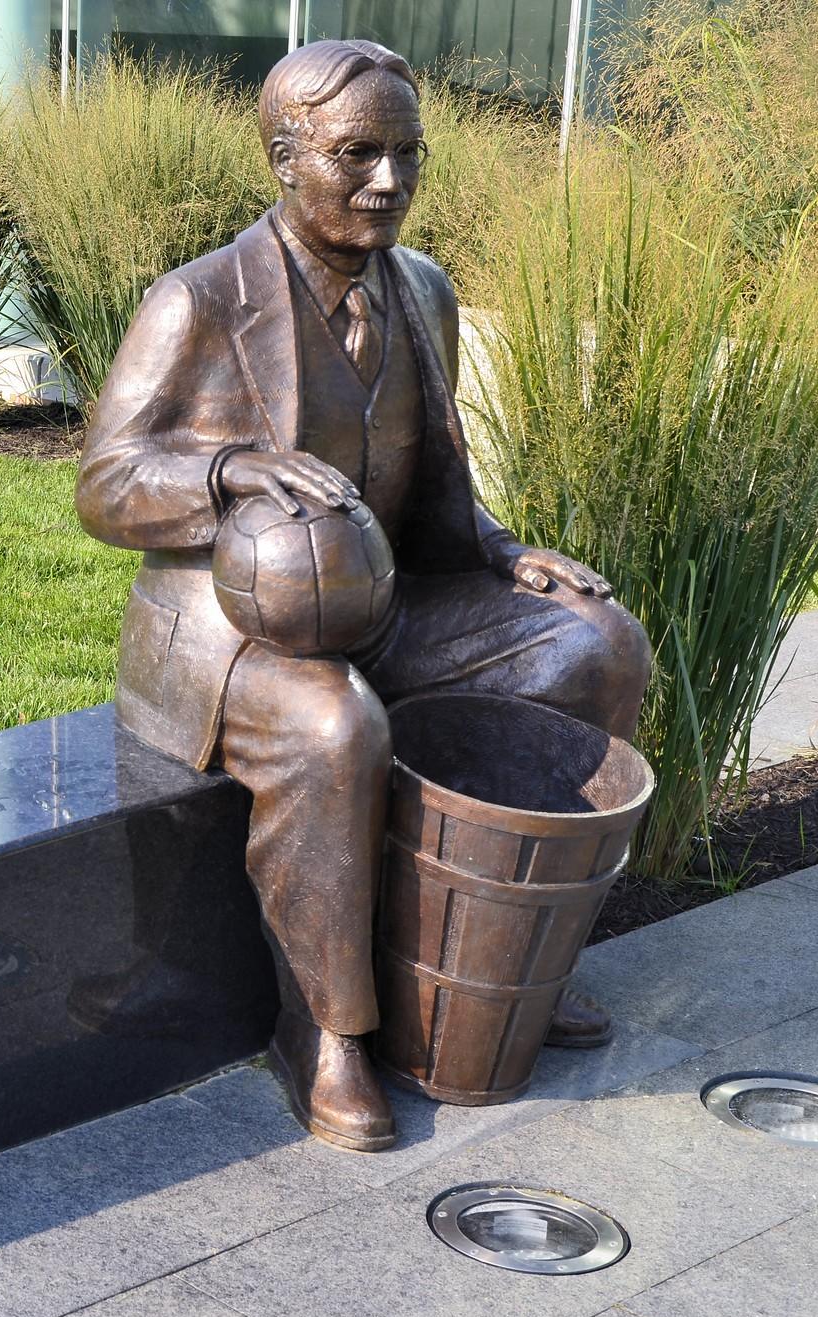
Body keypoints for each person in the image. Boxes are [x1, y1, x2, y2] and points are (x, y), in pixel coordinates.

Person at [76, 40, 652, 1152]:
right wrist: (224, 469)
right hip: (234, 629)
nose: (386, 181)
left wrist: (496, 551)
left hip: (389, 598)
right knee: (336, 725)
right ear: (285, 160)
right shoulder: (198, 300)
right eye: (356, 155)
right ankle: (323, 1030)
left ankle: (502, 967)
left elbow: (431, 470)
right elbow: (104, 486)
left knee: (595, 644)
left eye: (405, 155)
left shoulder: (422, 289)